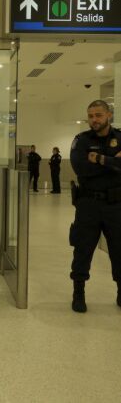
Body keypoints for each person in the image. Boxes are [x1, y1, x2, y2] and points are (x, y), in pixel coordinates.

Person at [69, 99, 121, 313]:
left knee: (119, 250)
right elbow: (81, 168)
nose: (94, 120)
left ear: (108, 114)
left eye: (98, 115)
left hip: (116, 204)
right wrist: (113, 163)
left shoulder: (120, 137)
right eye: (91, 116)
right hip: (88, 204)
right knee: (83, 249)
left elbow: (93, 165)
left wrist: (99, 159)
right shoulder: (81, 140)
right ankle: (78, 292)